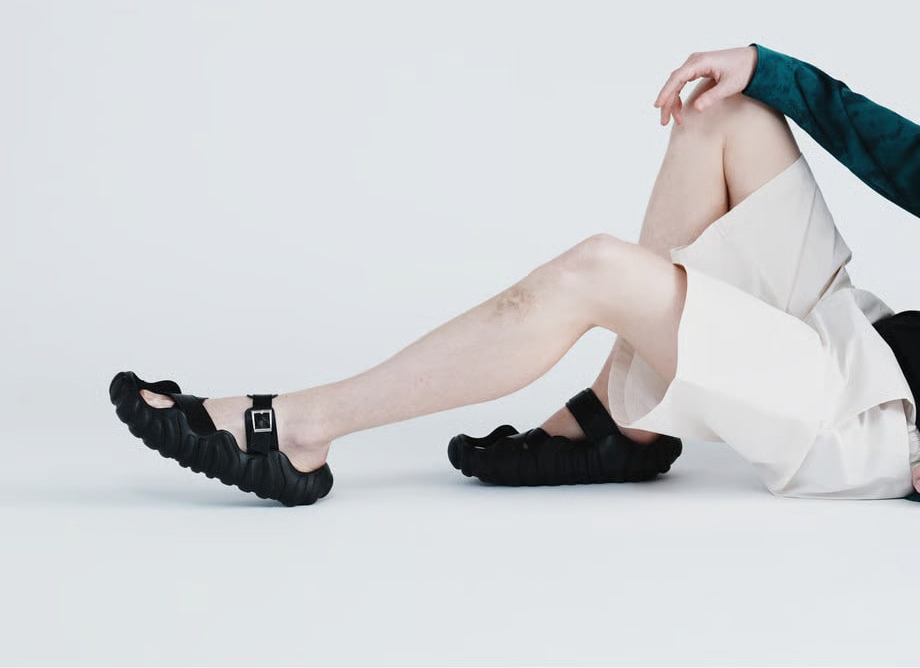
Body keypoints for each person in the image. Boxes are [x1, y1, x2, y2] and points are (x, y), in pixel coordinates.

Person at [109, 43, 920, 506]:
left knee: (596, 271)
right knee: (728, 108)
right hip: (861, 334)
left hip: (866, 418)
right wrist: (767, 66)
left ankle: (301, 428)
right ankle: (624, 416)